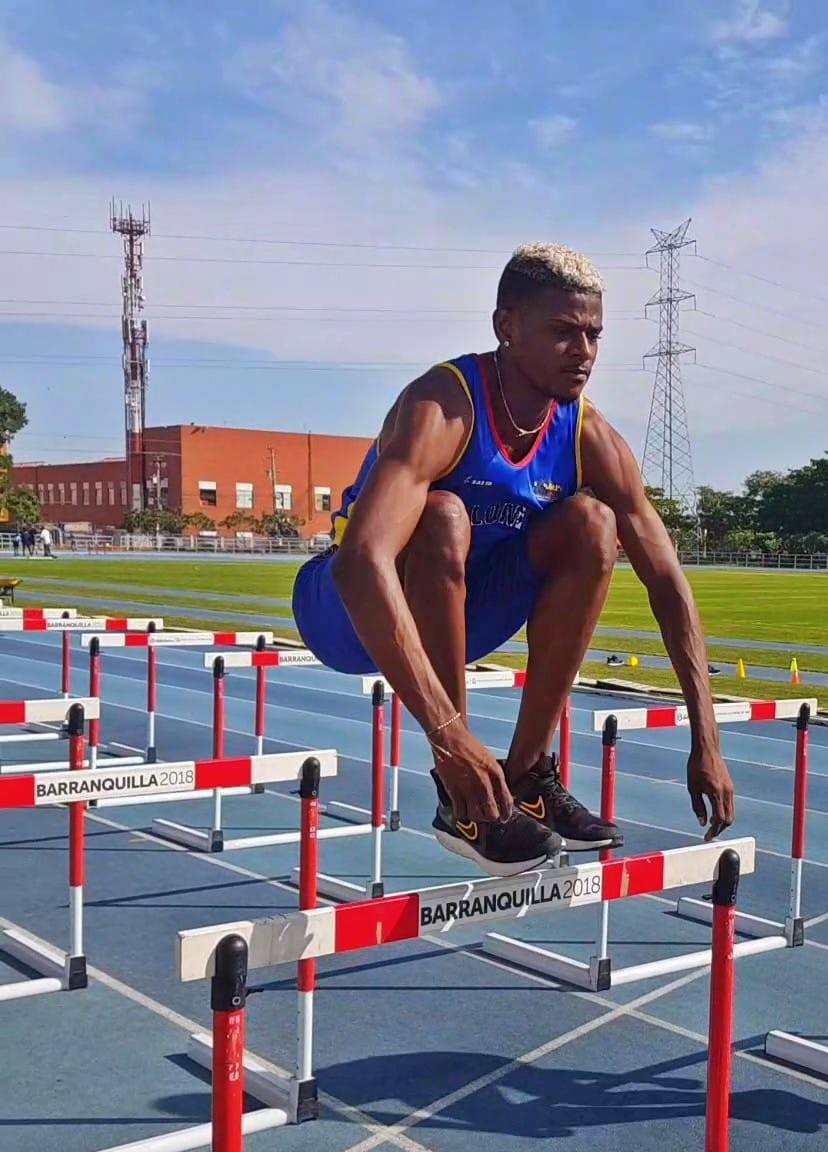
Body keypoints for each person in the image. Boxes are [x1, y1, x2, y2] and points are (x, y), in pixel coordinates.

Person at [292, 243, 735, 876]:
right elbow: (361, 561)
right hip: (347, 609)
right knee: (444, 515)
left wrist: (707, 739)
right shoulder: (444, 407)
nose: (582, 352)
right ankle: (461, 795)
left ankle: (525, 775)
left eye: (593, 335)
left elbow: (668, 581)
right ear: (507, 328)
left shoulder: (588, 436)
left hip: (460, 611)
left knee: (592, 523)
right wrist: (451, 737)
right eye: (562, 333)